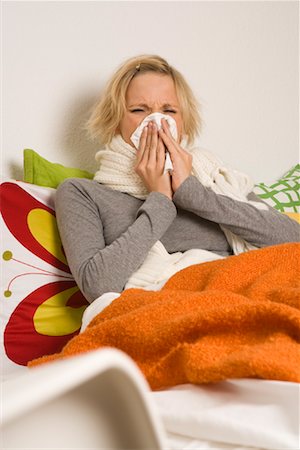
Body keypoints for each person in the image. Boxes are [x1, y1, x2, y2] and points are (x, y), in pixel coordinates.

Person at [55, 55, 299, 303]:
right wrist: (160, 199)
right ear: (116, 121)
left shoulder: (214, 177)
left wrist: (194, 194)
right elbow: (97, 287)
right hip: (168, 305)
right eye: (140, 110)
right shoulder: (83, 193)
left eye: (169, 111)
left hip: (249, 295)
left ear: (183, 123)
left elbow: (294, 241)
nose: (157, 122)